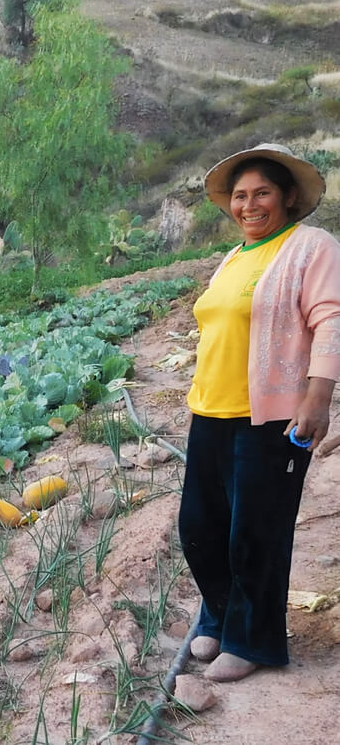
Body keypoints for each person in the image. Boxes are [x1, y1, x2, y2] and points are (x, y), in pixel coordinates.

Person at [181, 142, 340, 682]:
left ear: (289, 197)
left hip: (270, 417)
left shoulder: (309, 246)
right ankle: (221, 618)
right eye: (240, 195)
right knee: (200, 526)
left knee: (257, 531)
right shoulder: (233, 258)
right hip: (210, 411)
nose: (248, 205)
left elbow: (331, 318)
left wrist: (318, 397)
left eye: (262, 193)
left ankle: (253, 640)